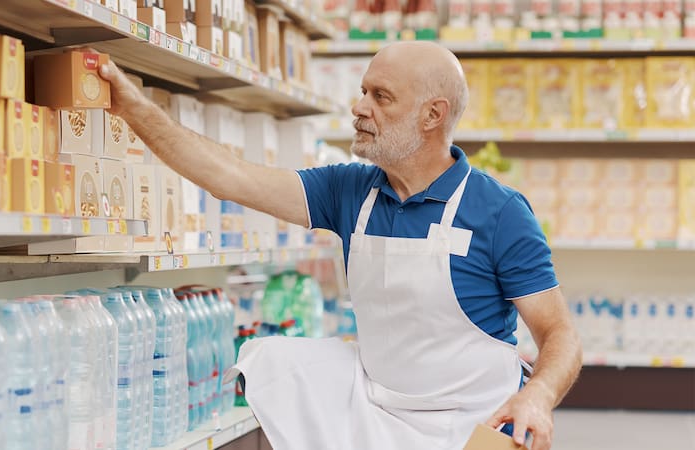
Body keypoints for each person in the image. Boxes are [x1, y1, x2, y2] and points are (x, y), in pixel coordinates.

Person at [99, 41, 583, 450]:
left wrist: (537, 395)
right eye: (362, 92)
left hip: (476, 422)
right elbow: (230, 178)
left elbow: (559, 334)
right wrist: (134, 109)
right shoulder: (350, 191)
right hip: (378, 408)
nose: (359, 107)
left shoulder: (498, 212)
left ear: (432, 115)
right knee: (277, 361)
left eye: (381, 97)